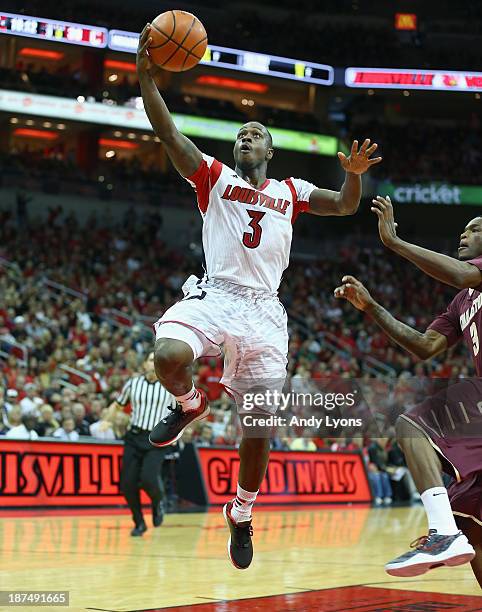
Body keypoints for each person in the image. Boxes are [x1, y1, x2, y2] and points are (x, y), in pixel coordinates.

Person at [136, 23, 381, 569]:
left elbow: (343, 205)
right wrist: (145, 78)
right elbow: (170, 136)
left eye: (256, 133)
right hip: (216, 295)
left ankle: (241, 514)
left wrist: (356, 177)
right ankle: (190, 403)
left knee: (259, 430)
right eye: (241, 133)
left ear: (270, 149)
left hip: (265, 313)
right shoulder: (214, 178)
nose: (247, 137)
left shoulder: (290, 192)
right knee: (170, 356)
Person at [334, 200, 482, 582]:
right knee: (475, 528)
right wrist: (371, 308)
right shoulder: (462, 301)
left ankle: (442, 533)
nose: (464, 234)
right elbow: (424, 345)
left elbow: (463, 274)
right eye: (464, 229)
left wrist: (396, 242)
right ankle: (451, 532)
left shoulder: (471, 278)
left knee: (411, 425)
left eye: (475, 228)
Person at [106, 351, 176, 537]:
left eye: (157, 361)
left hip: (157, 439)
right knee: (127, 485)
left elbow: (181, 411)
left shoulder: (170, 386)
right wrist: (108, 419)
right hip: (134, 436)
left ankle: (157, 502)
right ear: (144, 364)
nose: (154, 364)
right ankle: (139, 522)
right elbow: (118, 404)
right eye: (151, 360)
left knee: (148, 479)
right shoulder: (133, 383)